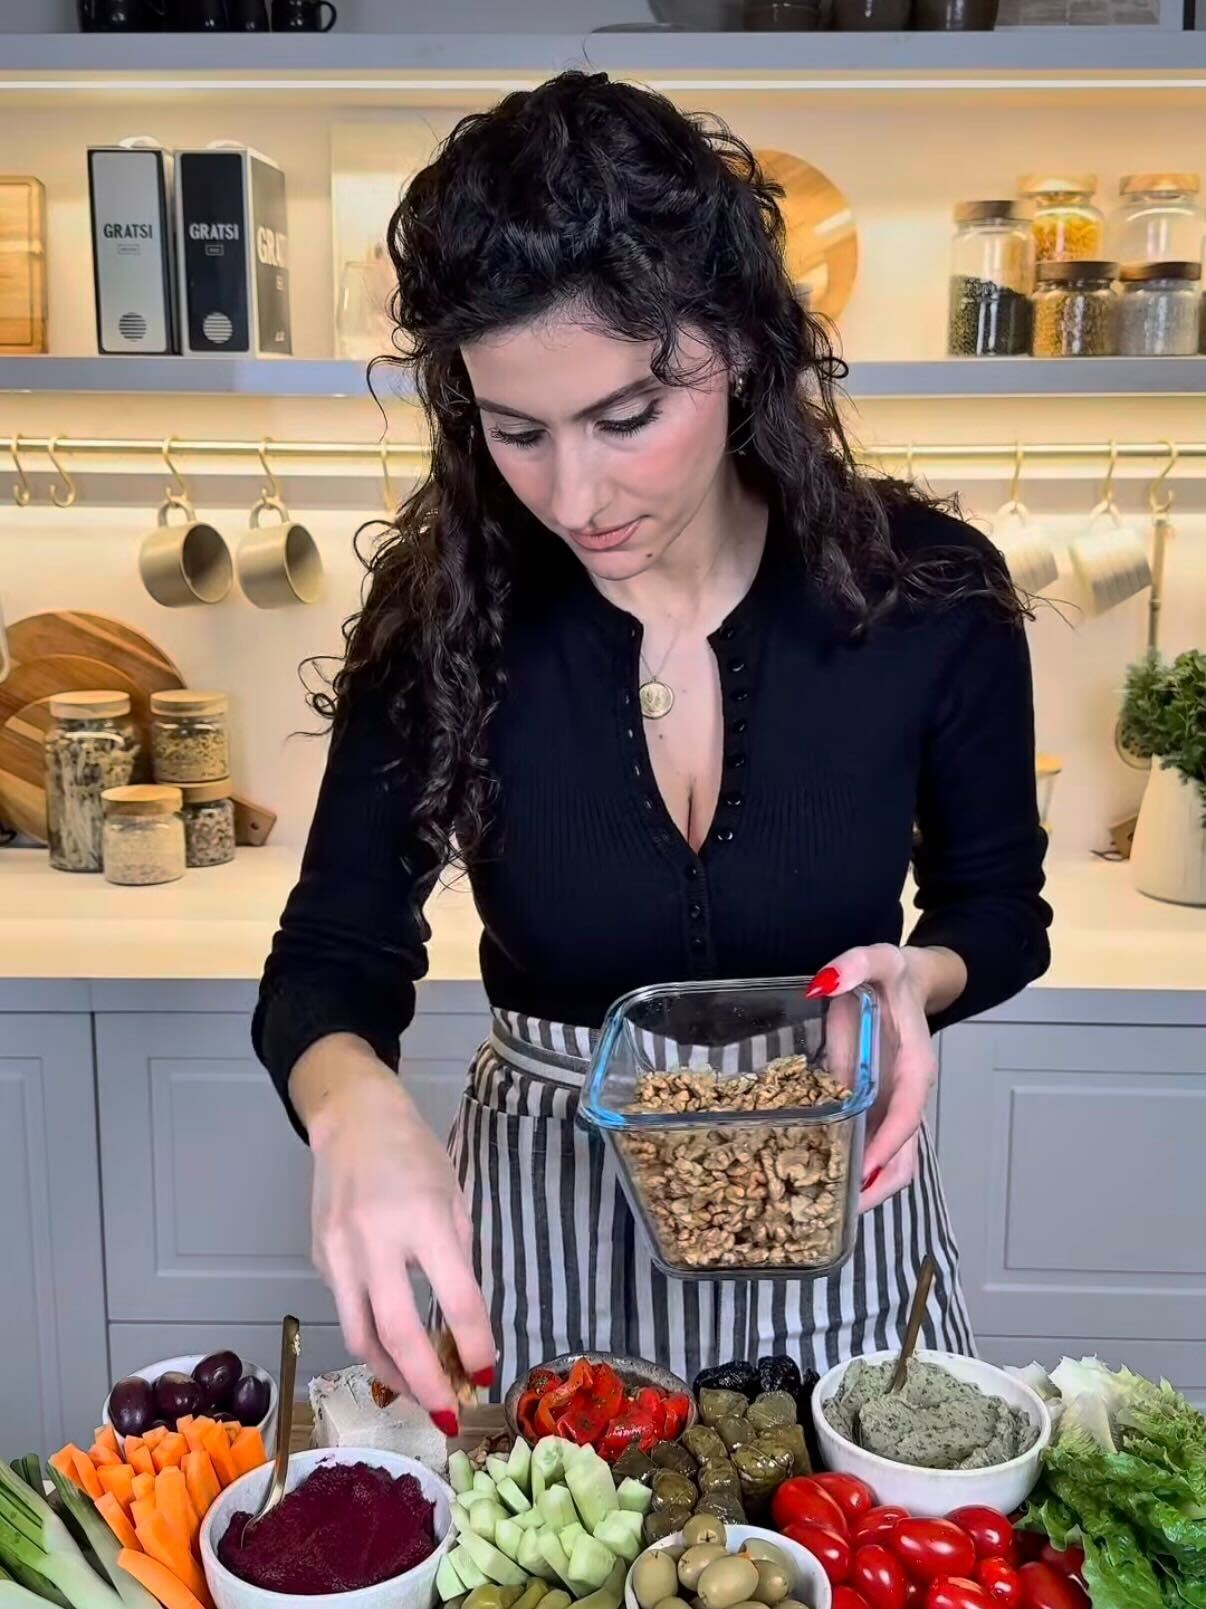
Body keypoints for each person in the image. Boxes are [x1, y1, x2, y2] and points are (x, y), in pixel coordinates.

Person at [254, 71, 1051, 1437]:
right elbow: (330, 960)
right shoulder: (449, 614)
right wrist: (353, 1104)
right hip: (542, 1217)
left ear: (738, 344)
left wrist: (913, 979)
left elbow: (998, 914)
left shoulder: (925, 593)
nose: (574, 495)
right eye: (516, 430)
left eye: (626, 416)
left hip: (833, 1198)